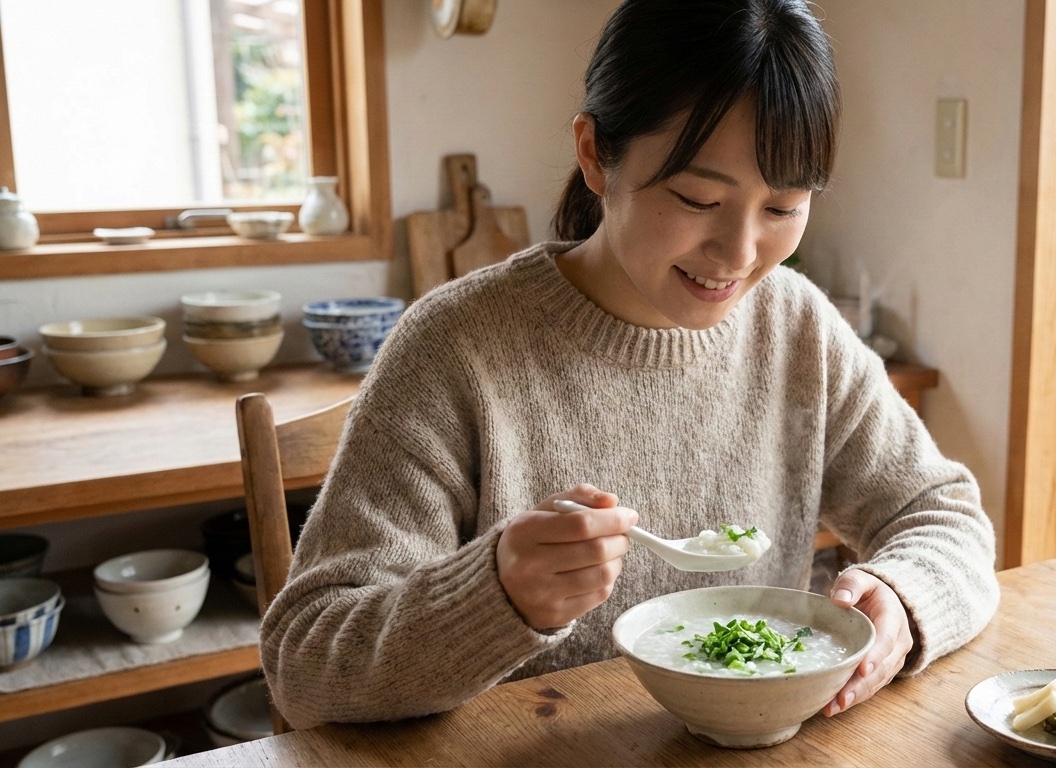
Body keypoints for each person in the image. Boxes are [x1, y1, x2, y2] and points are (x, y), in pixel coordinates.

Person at [262, 0, 999, 729]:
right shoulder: (455, 348)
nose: (740, 254)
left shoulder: (797, 327)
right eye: (698, 198)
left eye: (782, 208)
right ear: (594, 154)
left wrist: (902, 597)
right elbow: (306, 664)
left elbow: (943, 516)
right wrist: (494, 596)